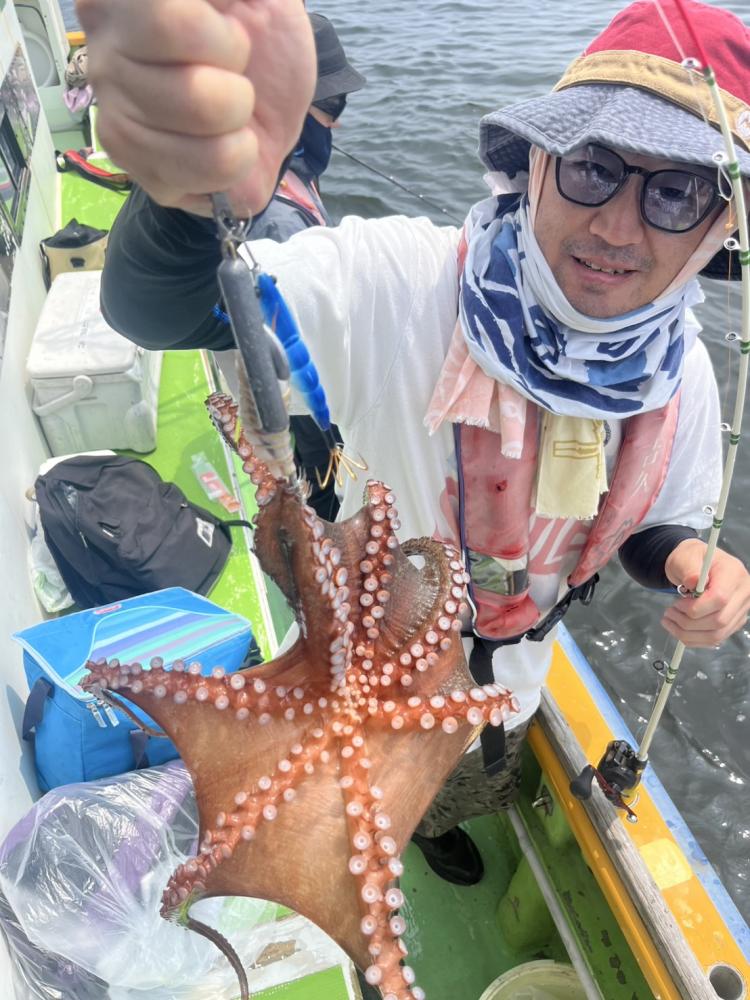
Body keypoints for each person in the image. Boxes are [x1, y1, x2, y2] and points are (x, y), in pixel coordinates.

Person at [80, 0, 750, 887]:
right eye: (593, 169)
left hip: (513, 677)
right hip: (366, 666)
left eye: (677, 193)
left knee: (467, 780)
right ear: (536, 164)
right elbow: (163, 313)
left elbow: (648, 527)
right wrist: (186, 203)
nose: (619, 228)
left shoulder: (681, 374)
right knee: (374, 794)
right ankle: (400, 827)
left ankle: (437, 823)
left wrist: (689, 561)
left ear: (720, 225)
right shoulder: (398, 283)